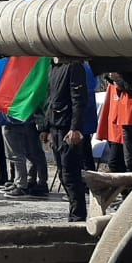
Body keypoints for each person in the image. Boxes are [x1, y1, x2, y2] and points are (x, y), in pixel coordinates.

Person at [39, 56, 91, 222]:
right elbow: (50, 98)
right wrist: (45, 128)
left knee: (70, 174)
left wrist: (75, 128)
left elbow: (79, 99)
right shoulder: (53, 67)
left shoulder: (74, 67)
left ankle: (78, 215)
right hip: (55, 127)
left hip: (67, 128)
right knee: (62, 174)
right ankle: (73, 211)